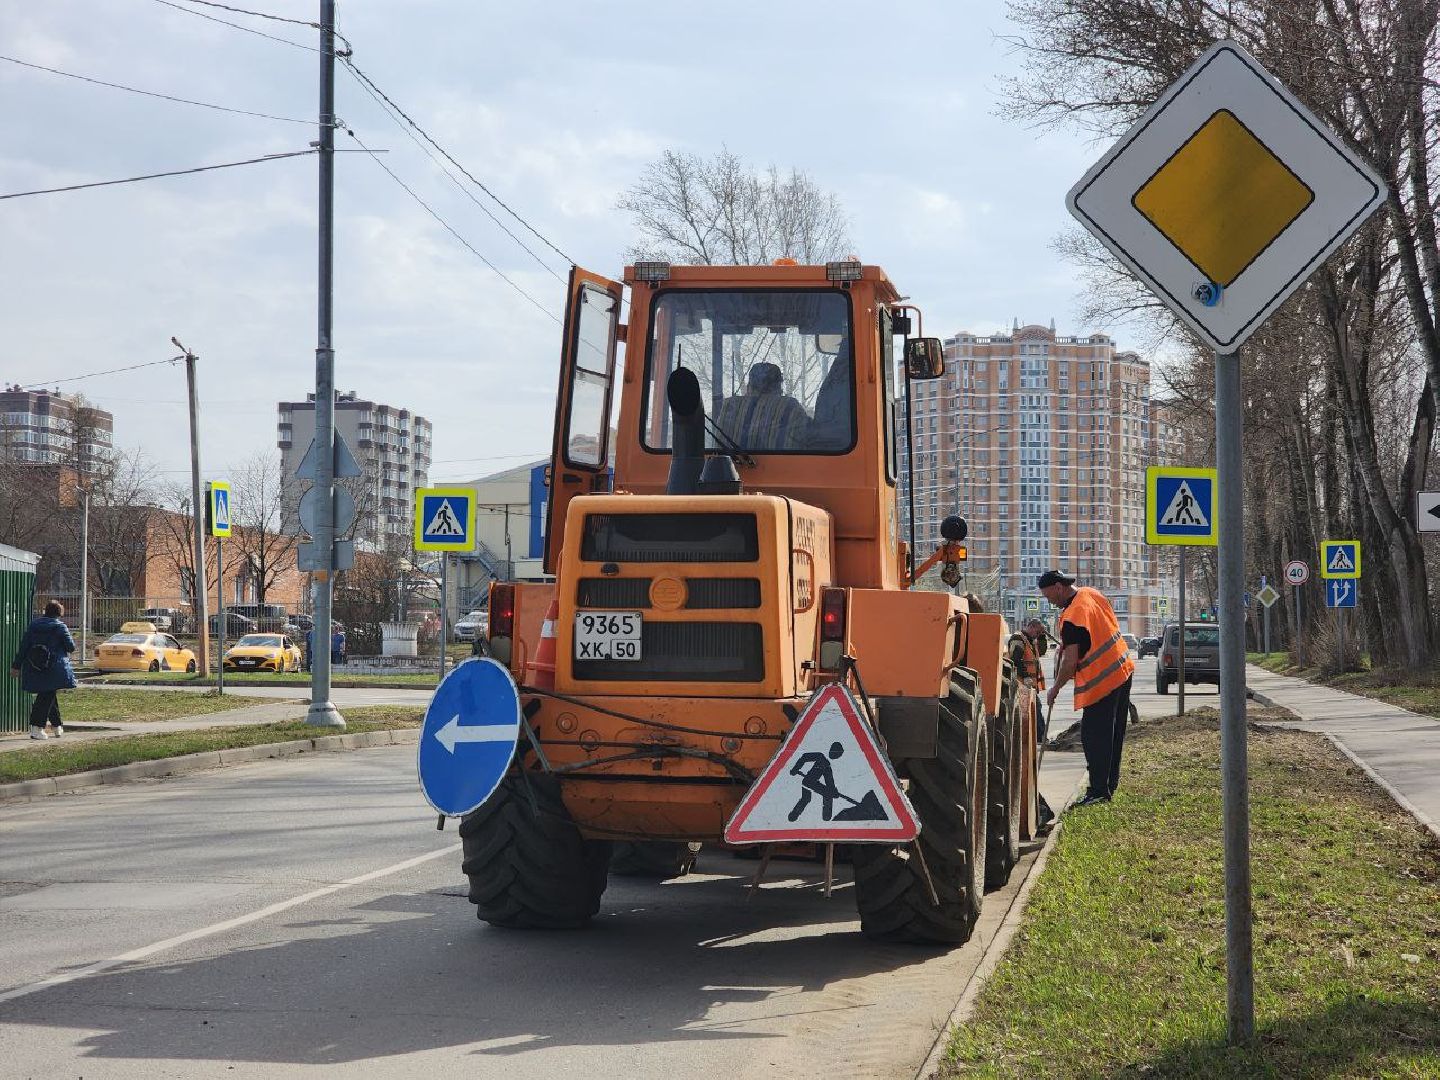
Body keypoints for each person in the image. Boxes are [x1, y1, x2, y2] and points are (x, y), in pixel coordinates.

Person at [1039, 569, 1135, 807]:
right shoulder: (1091, 594)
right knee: (1114, 734)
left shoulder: (1072, 617)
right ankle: (1109, 785)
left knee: (1094, 737)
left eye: (1048, 595)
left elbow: (1071, 662)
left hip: (1102, 681)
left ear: (1059, 588)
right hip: (1123, 669)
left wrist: (1055, 689)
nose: (1048, 600)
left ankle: (1098, 791)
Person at [9, 600, 78, 740]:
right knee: (46, 696)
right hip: (55, 667)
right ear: (59, 613)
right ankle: (36, 728)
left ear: (45, 611)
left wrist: (16, 666)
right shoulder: (60, 627)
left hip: (35, 666)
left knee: (48, 693)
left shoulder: (33, 626)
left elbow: (24, 648)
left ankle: (57, 726)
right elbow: (71, 647)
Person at [713, 362, 810, 451]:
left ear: (749, 387)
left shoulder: (730, 406)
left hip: (728, 468)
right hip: (785, 469)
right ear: (778, 388)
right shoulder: (791, 408)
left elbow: (717, 452)